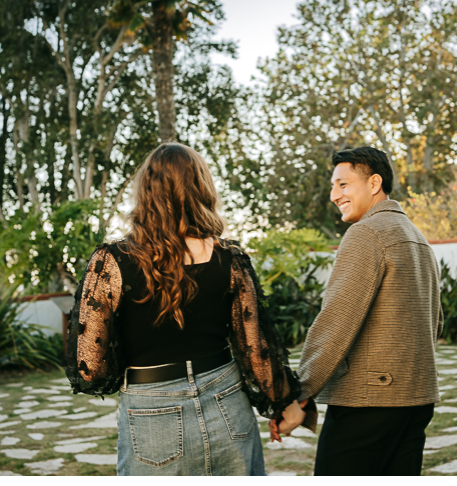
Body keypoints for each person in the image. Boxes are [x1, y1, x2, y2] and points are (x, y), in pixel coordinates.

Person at [65, 143, 316, 475]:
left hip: (151, 412)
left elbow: (90, 367)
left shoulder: (111, 261)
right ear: (201, 187)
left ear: (146, 191)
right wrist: (285, 404)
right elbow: (255, 348)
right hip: (227, 403)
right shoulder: (230, 259)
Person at [272, 145, 443, 476]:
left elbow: (336, 323)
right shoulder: (419, 239)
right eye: (333, 186)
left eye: (343, 184)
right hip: (417, 400)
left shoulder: (366, 234)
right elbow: (435, 323)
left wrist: (300, 393)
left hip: (369, 404)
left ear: (374, 183)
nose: (334, 195)